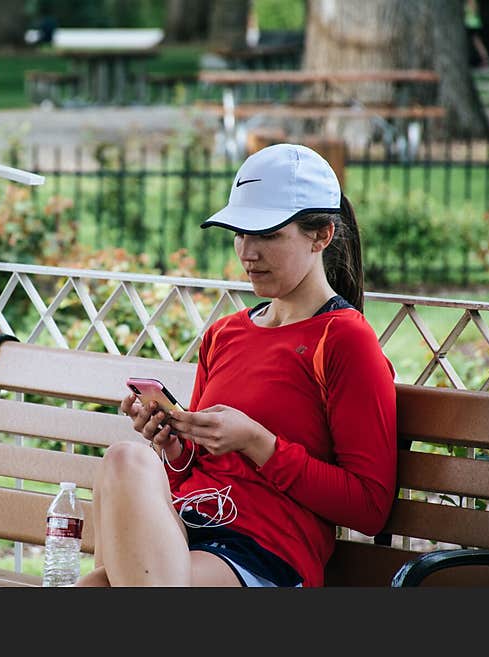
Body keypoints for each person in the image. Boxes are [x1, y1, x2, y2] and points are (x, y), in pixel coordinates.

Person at [76, 143, 397, 587]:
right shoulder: (224, 333)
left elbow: (369, 507)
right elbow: (197, 469)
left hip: (265, 556)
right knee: (125, 461)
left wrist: (258, 442)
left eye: (267, 235)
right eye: (239, 233)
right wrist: (173, 445)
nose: (247, 252)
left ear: (321, 235)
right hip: (188, 530)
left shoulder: (343, 339)